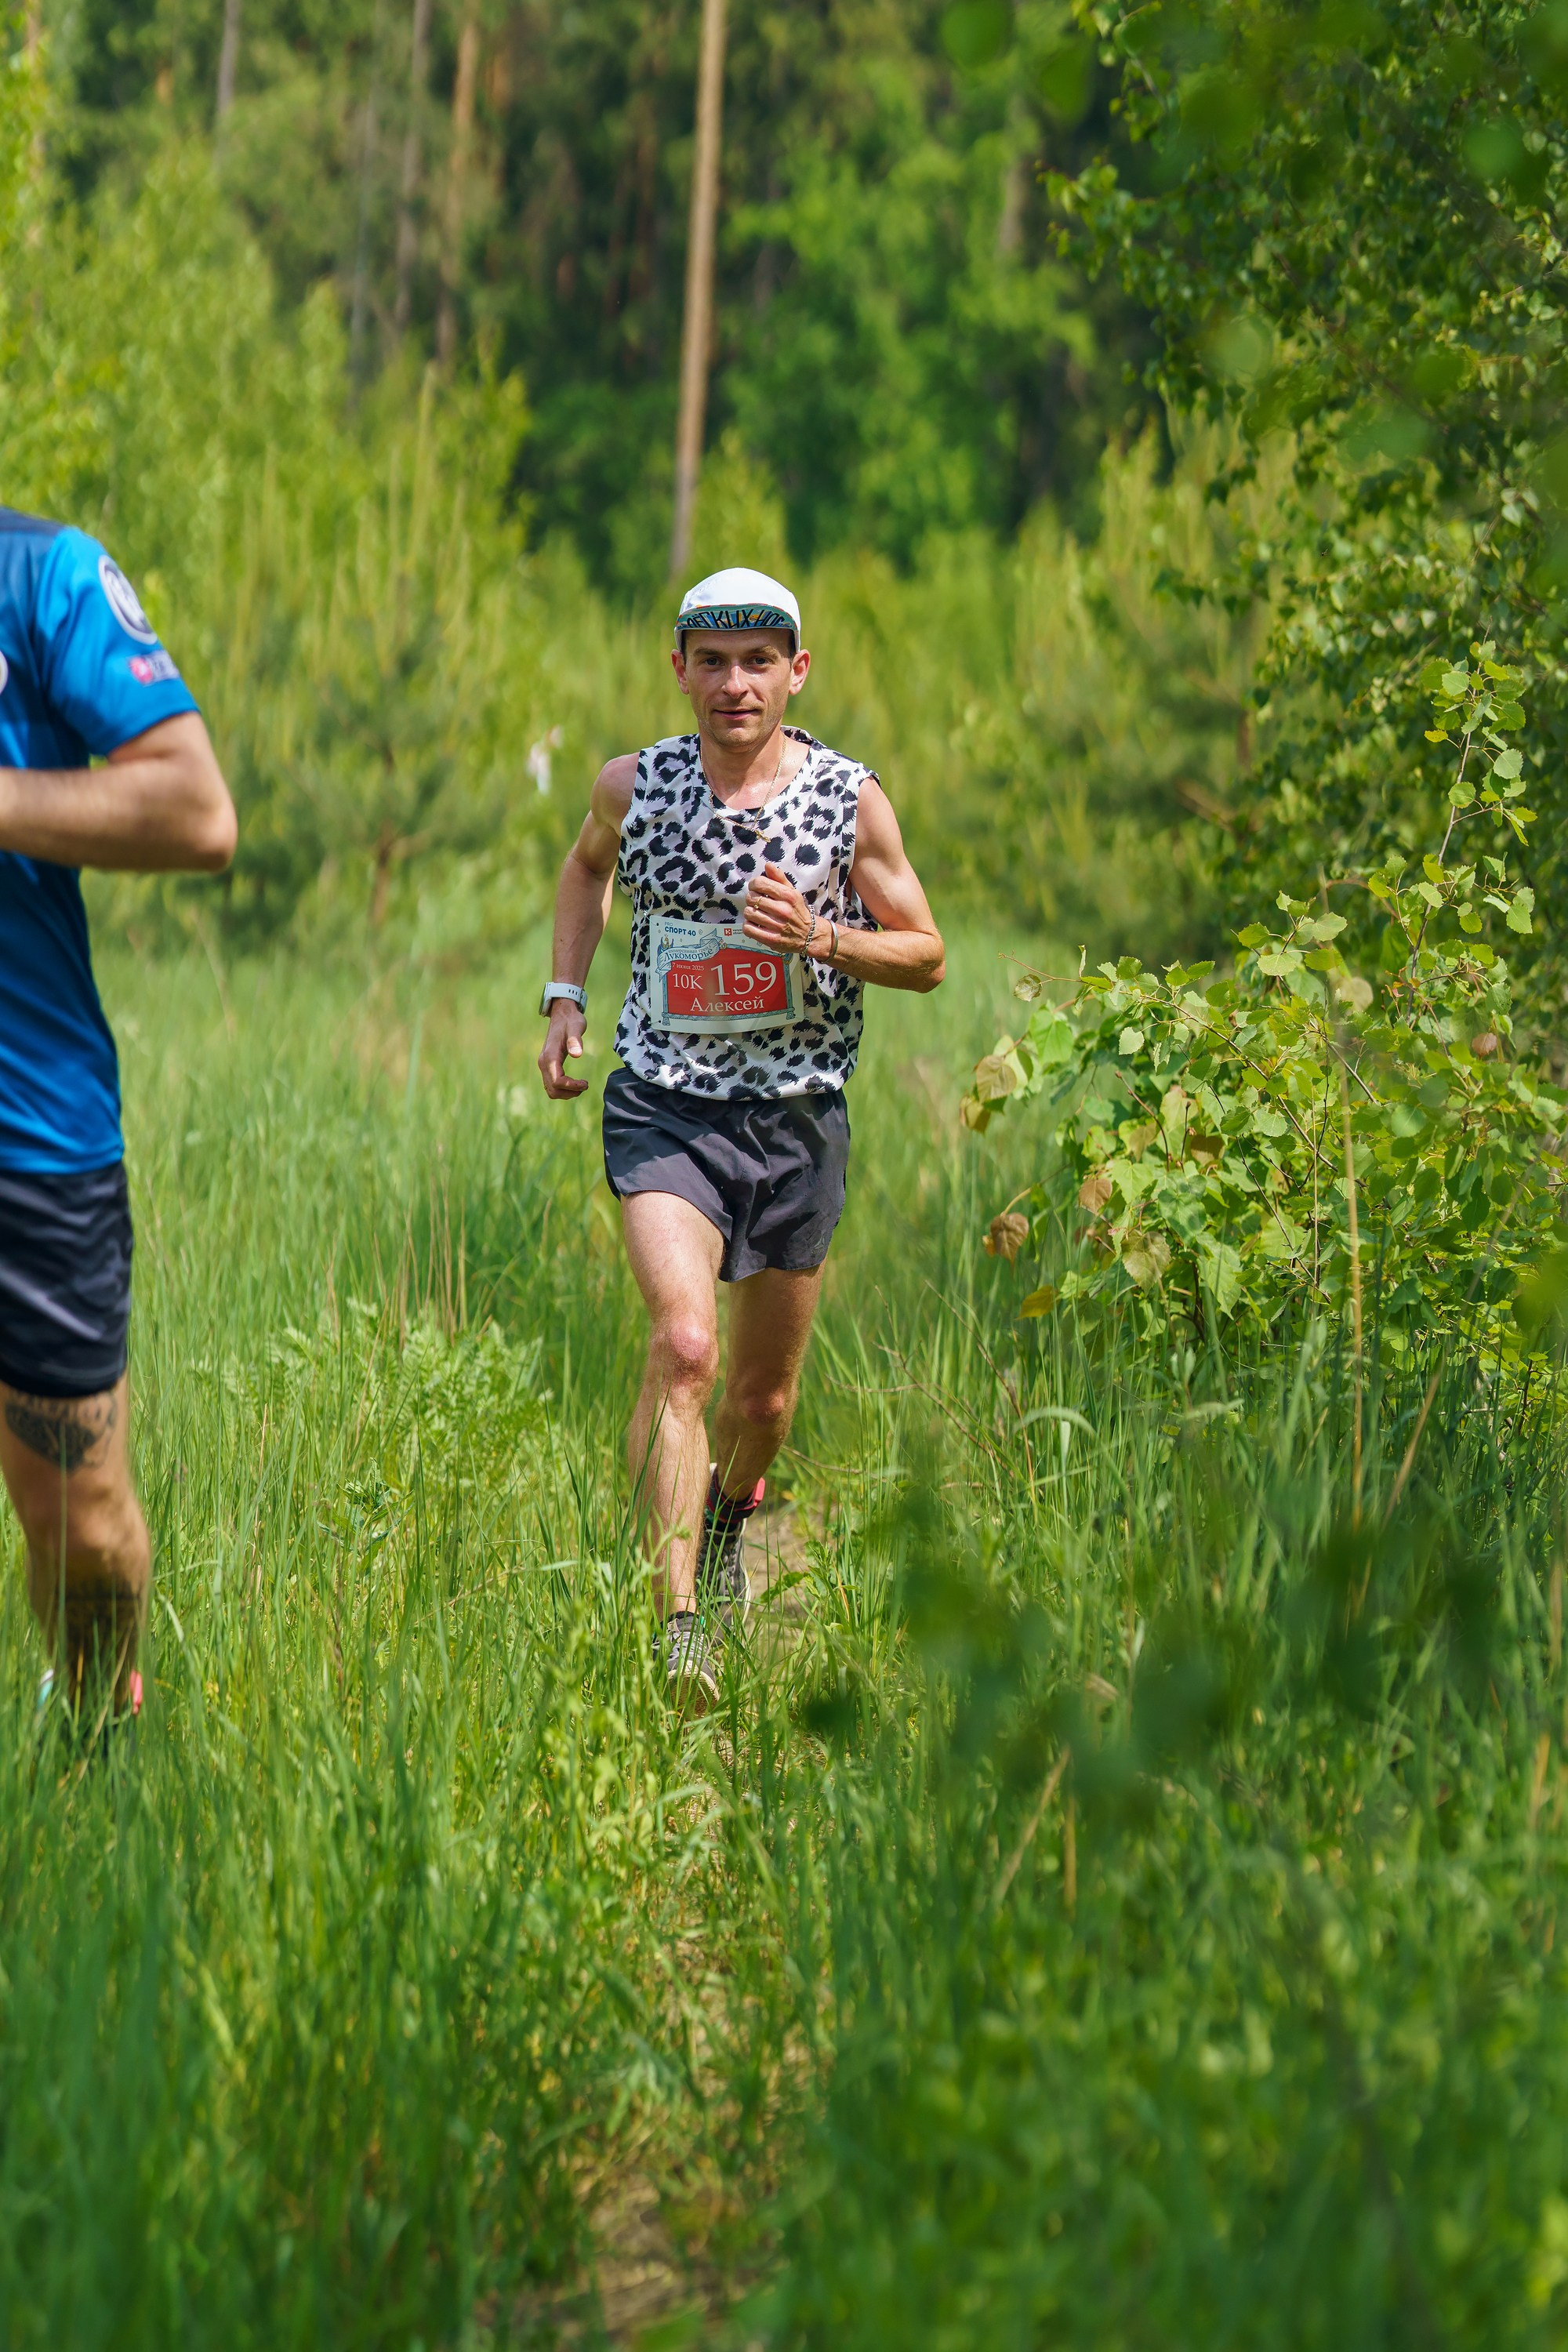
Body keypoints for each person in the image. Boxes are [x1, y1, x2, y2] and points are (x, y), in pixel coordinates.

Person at [538, 564, 943, 1704]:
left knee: (761, 1403)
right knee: (684, 1348)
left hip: (796, 1119)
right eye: (711, 662)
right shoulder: (637, 787)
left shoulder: (847, 801)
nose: (733, 684)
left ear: (796, 671)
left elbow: (927, 953)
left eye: (758, 661)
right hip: (665, 1103)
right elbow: (582, 870)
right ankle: (678, 1629)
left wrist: (823, 937)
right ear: (680, 671)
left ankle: (724, 1523)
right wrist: (564, 994)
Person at [0, 508, 237, 1740]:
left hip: (30, 1136)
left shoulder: (43, 577)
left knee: (78, 1520)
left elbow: (197, 811)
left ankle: (95, 1731)